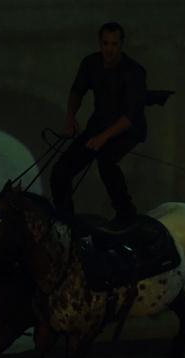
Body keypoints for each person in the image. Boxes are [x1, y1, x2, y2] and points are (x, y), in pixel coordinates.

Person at [50, 22, 147, 222]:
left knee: (106, 162)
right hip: (99, 125)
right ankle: (65, 222)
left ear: (121, 45)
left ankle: (126, 214)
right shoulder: (90, 63)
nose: (109, 49)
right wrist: (70, 118)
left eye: (114, 44)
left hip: (127, 129)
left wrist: (103, 138)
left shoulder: (134, 72)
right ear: (100, 43)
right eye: (105, 43)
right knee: (60, 171)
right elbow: (77, 90)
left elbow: (130, 116)